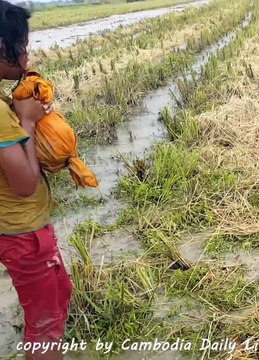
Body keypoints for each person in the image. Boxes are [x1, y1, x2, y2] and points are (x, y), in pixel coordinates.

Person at [0, 1, 72, 359]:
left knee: (58, 295)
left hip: (22, 229)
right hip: (22, 233)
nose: (26, 57)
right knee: (44, 325)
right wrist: (26, 123)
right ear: (2, 47)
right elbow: (25, 184)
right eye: (23, 47)